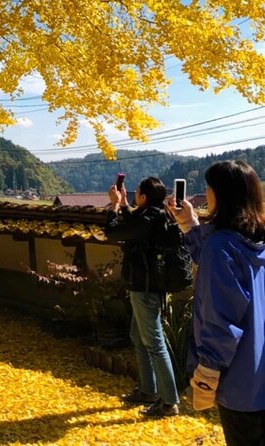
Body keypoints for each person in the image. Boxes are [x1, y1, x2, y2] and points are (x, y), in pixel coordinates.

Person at [168, 160, 265, 446]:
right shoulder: (255, 240)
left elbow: (220, 317)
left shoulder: (220, 246)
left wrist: (208, 372)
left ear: (219, 195)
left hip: (240, 383)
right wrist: (190, 226)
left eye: (209, 187)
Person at [104, 176, 180, 417]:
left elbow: (114, 232)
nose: (135, 196)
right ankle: (148, 390)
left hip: (145, 288)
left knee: (155, 343)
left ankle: (169, 402)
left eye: (137, 193)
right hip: (146, 286)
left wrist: (115, 206)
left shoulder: (150, 218)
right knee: (138, 337)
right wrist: (125, 204)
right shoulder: (154, 215)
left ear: (145, 197)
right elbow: (135, 223)